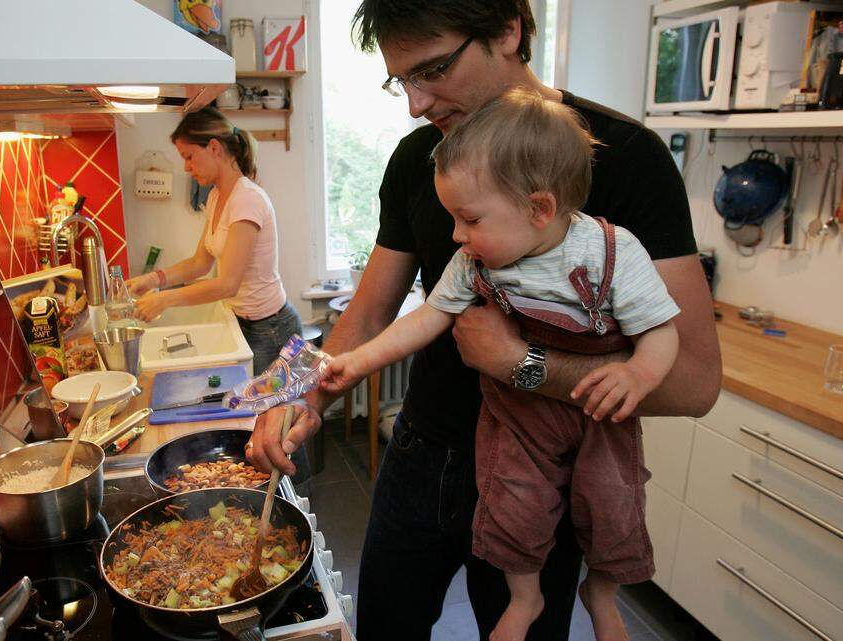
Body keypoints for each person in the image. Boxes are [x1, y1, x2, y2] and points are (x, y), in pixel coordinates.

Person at [246, 2, 722, 639]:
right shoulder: (423, 157)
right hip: (419, 457)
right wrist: (296, 392)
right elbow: (364, 317)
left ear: (508, 29)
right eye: (400, 81)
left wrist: (520, 366)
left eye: (433, 69)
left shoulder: (626, 158)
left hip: (541, 471)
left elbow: (693, 382)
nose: (416, 103)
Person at [319, 90, 679, 641]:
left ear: (539, 208)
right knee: (515, 507)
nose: (457, 235)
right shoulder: (474, 261)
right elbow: (428, 318)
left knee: (615, 507)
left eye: (468, 219)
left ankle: (603, 594)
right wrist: (355, 362)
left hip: (598, 425)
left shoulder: (612, 250)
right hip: (516, 420)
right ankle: (525, 595)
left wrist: (638, 374)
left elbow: (660, 332)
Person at [126, 107, 302, 374]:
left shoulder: (247, 199)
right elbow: (200, 263)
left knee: (267, 414)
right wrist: (154, 280)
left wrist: (164, 300)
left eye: (189, 157)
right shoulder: (217, 197)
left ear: (214, 148)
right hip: (244, 323)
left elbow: (227, 284)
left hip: (271, 330)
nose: (186, 167)